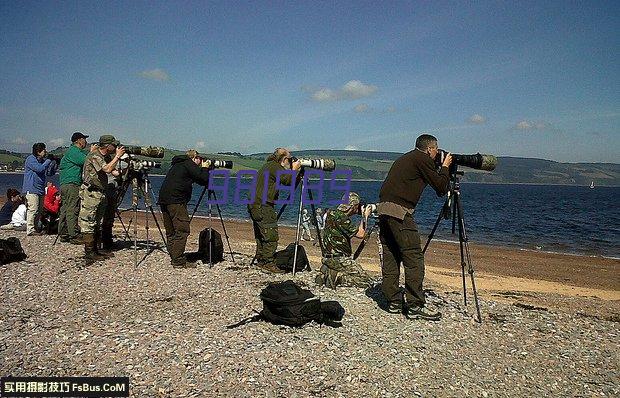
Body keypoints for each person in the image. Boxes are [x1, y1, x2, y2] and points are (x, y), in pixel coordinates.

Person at [378, 133, 452, 321]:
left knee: (392, 255)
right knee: (413, 258)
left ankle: (393, 301)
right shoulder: (422, 158)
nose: (437, 153)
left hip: (384, 210)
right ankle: (415, 305)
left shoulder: (406, 158)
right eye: (436, 150)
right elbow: (441, 188)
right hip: (399, 212)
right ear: (429, 149)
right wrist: (445, 168)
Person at [248, 148, 301, 273]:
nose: (290, 161)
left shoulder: (269, 166)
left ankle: (261, 259)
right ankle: (268, 262)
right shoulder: (274, 167)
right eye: (289, 159)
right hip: (263, 205)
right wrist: (295, 169)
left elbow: (289, 182)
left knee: (262, 234)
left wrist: (297, 173)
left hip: (256, 204)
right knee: (271, 235)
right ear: (283, 159)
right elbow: (287, 181)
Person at [157, 149, 211, 268]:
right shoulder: (188, 164)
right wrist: (206, 168)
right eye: (199, 160)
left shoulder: (179, 164)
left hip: (165, 199)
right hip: (176, 200)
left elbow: (198, 179)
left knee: (171, 230)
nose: (200, 162)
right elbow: (203, 179)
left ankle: (174, 255)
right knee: (182, 229)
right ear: (194, 158)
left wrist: (204, 170)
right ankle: (178, 261)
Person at [79, 135, 125, 263]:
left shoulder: (105, 157)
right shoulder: (95, 155)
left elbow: (114, 172)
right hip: (91, 192)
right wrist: (117, 156)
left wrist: (125, 169)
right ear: (107, 145)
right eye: (113, 145)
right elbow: (107, 169)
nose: (115, 147)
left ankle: (95, 249)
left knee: (97, 221)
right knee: (89, 221)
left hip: (100, 192)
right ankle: (89, 252)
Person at [316, 192, 374, 289]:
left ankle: (329, 271)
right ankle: (339, 277)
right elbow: (361, 234)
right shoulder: (342, 218)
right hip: (340, 259)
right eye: (357, 206)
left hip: (327, 256)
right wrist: (365, 216)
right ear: (352, 206)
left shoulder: (331, 213)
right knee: (367, 283)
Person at [58, 132, 90, 243]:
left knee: (65, 208)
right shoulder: (74, 151)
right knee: (73, 208)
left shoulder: (69, 152)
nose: (86, 141)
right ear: (79, 140)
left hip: (65, 183)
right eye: (84, 139)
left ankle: (64, 232)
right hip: (72, 183)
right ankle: (73, 234)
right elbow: (87, 161)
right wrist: (94, 152)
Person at [22, 143, 58, 235]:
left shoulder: (42, 160)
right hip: (31, 188)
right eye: (44, 150)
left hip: (40, 189)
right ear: (38, 151)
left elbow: (49, 173)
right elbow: (39, 169)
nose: (45, 152)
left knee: (39, 210)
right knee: (33, 209)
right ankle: (30, 229)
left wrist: (55, 163)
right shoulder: (30, 159)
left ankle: (35, 227)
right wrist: (48, 160)